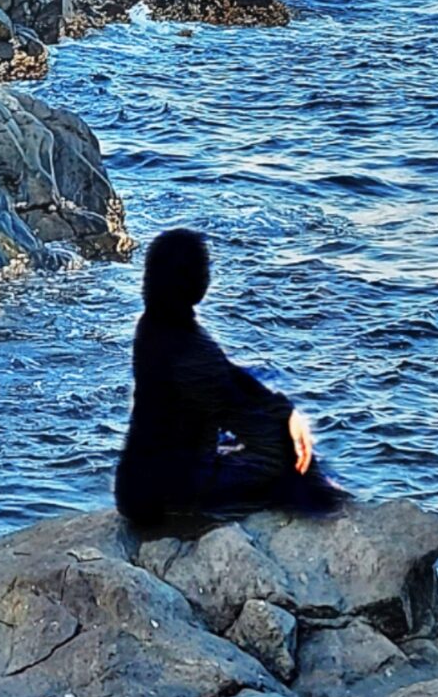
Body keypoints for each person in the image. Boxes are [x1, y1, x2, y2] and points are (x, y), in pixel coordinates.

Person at [113, 227, 349, 530]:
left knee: (246, 440)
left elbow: (230, 376)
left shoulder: (155, 327)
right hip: (168, 497)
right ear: (191, 280)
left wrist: (288, 412)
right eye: (204, 268)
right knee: (284, 458)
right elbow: (247, 416)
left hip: (138, 484)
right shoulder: (191, 352)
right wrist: (288, 432)